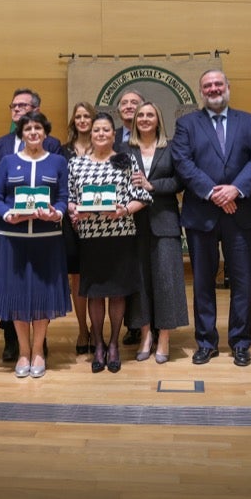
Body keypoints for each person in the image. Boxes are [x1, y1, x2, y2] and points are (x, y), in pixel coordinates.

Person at [171, 69, 251, 367]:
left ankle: (240, 342)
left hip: (240, 211)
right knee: (202, 282)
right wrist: (214, 192)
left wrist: (235, 190)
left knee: (242, 282)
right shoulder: (186, 124)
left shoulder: (249, 121)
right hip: (202, 212)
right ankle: (206, 342)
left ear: (228, 87)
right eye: (207, 86)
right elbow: (182, 162)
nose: (213, 89)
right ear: (201, 92)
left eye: (218, 84)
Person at [0, 110, 72, 379]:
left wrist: (56, 213)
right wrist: (8, 213)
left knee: (42, 296)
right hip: (13, 240)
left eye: (37, 128)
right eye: (27, 129)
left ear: (45, 133)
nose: (33, 133)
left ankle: (38, 351)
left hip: (47, 240)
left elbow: (63, 196)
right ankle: (23, 351)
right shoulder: (8, 162)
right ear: (21, 134)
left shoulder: (58, 161)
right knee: (18, 297)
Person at [68, 113, 152, 372]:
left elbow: (142, 196)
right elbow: (70, 196)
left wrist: (124, 210)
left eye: (106, 130)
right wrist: (75, 210)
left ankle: (114, 343)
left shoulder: (125, 162)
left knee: (117, 293)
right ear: (90, 135)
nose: (101, 134)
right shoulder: (76, 164)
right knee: (94, 294)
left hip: (120, 235)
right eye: (96, 130)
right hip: (90, 238)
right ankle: (99, 344)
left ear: (114, 135)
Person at [126, 102, 188, 364]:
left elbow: (180, 181)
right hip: (133, 225)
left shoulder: (171, 148)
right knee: (139, 281)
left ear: (158, 120)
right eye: (140, 115)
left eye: (150, 114)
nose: (145, 119)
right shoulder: (125, 149)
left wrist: (152, 186)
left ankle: (164, 337)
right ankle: (145, 335)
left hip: (165, 222)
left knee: (167, 282)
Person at [61, 102, 97, 355]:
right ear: (73, 121)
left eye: (87, 116)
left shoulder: (104, 148)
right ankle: (83, 329)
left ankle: (97, 330)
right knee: (78, 277)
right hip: (70, 222)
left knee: (96, 275)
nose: (83, 120)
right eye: (78, 117)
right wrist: (71, 210)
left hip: (100, 221)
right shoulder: (63, 152)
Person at [113, 88, 145, 345]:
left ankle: (150, 323)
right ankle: (132, 325)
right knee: (126, 270)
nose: (129, 106)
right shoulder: (109, 137)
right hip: (117, 214)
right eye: (124, 102)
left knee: (147, 271)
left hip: (148, 212)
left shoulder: (152, 136)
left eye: (135, 102)